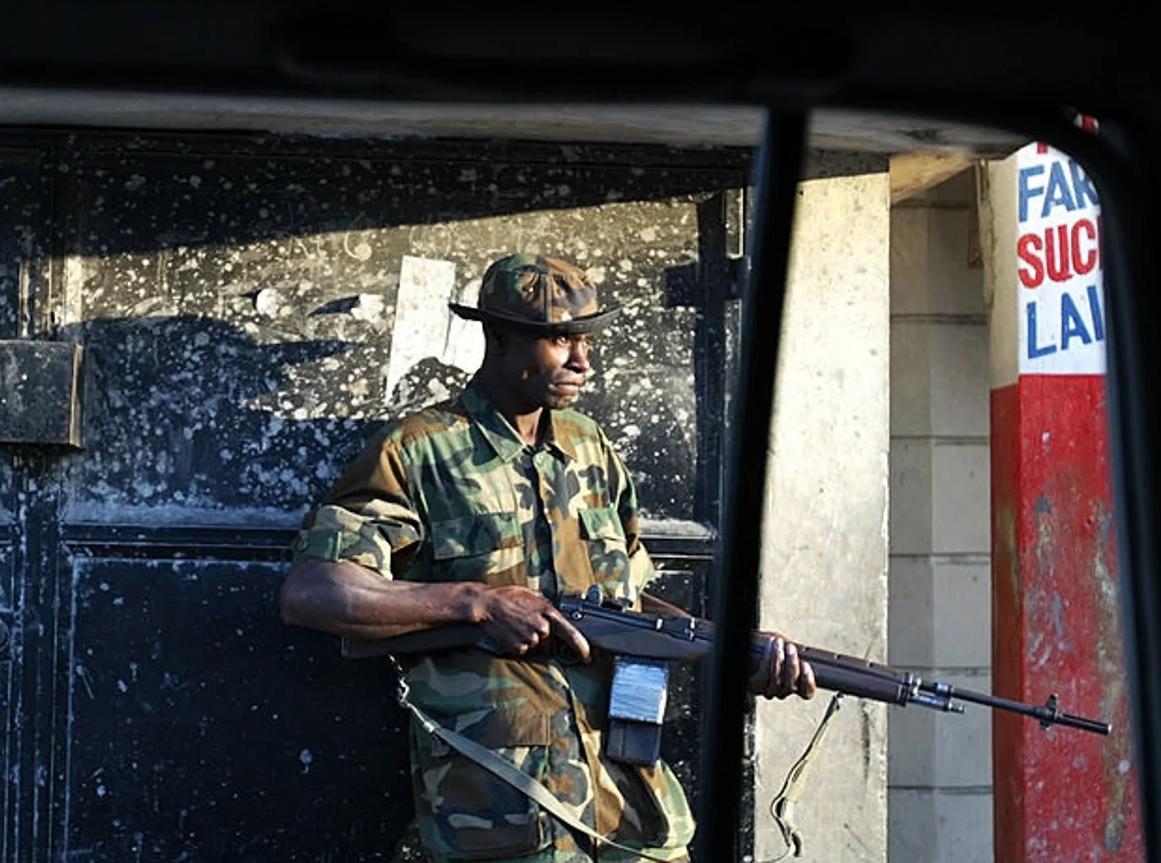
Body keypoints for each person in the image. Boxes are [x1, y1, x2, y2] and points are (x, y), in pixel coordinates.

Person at [279, 253, 816, 863]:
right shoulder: (420, 450)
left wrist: (734, 651)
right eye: (560, 339)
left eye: (585, 339)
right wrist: (476, 602)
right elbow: (314, 592)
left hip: (628, 799)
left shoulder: (589, 447)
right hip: (503, 804)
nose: (583, 360)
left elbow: (628, 604)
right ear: (499, 337)